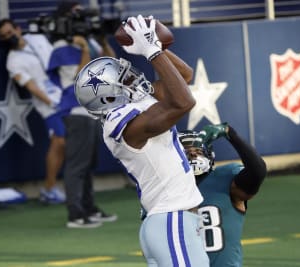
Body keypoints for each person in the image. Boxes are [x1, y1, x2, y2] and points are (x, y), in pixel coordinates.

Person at [74, 15, 209, 266]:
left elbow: (184, 76)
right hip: (171, 220)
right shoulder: (121, 121)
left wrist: (156, 47)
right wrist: (151, 52)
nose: (133, 78)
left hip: (170, 221)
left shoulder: (133, 105)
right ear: (109, 97)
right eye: (124, 79)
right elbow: (184, 102)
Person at [47, 0, 117, 228]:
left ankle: (88, 208)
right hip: (75, 108)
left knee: (87, 163)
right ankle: (75, 214)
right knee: (77, 164)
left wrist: (101, 41)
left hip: (91, 109)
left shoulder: (86, 41)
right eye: (75, 13)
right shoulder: (62, 46)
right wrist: (86, 49)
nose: (80, 16)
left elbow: (113, 64)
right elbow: (80, 78)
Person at [178, 123, 267, 267]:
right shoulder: (164, 191)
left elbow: (258, 171)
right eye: (186, 151)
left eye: (198, 151)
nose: (193, 154)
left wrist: (231, 133)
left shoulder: (225, 180)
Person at [0, 18, 66, 204]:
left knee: (77, 140)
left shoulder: (37, 39)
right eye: (4, 37)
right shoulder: (12, 62)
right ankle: (50, 189)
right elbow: (31, 86)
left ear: (18, 29)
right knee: (59, 141)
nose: (8, 37)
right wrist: (51, 102)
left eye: (10, 33)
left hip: (67, 93)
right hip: (50, 105)